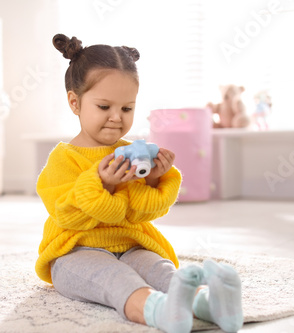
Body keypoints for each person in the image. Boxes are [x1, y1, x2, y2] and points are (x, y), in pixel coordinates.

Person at [35, 33, 243, 333]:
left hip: (131, 245)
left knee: (161, 270)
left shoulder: (129, 153)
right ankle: (156, 311)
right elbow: (66, 214)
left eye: (127, 109)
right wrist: (101, 185)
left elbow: (140, 214)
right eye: (104, 107)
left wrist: (155, 179)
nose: (116, 118)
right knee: (115, 278)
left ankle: (209, 304)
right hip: (76, 252)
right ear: (75, 102)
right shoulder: (62, 160)